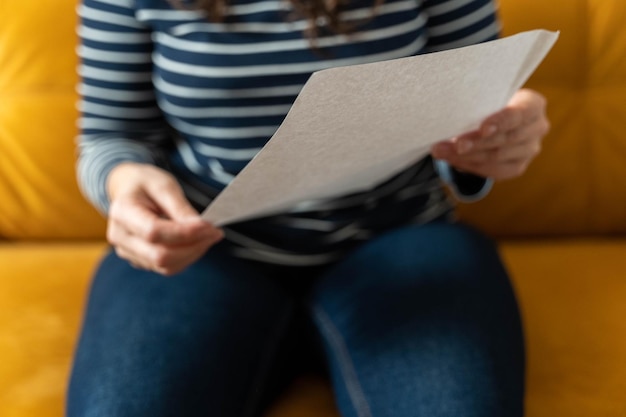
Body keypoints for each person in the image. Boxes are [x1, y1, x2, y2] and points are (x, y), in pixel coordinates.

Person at [67, 0, 549, 415]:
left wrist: (495, 138)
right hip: (202, 249)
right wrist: (124, 186)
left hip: (399, 241)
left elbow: (474, 105)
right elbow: (111, 135)